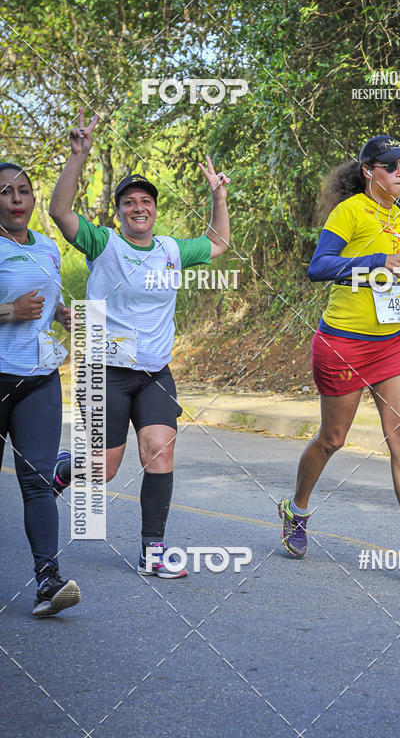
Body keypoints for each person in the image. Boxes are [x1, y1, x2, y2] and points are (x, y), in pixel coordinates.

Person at [49, 111, 231, 578]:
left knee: (160, 451)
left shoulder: (171, 250)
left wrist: (219, 196)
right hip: (104, 372)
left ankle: (154, 551)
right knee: (104, 471)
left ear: (154, 209)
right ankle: (66, 468)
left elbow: (218, 243)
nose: (138, 207)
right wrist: (77, 156)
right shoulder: (102, 243)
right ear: (119, 212)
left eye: (145, 201)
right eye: (129, 202)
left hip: (154, 372)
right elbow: (60, 213)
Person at [278, 134, 400, 567]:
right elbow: (319, 267)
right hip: (344, 343)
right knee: (332, 439)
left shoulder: (398, 219)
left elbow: (397, 281)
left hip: (394, 341)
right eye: (392, 166)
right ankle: (295, 509)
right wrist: (377, 261)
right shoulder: (350, 211)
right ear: (368, 172)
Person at [0, 162, 80, 616]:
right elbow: (15, 308)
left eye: (24, 192)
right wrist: (10, 310)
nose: (17, 199)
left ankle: (48, 583)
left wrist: (58, 314)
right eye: (7, 192)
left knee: (36, 483)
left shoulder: (48, 248)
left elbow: (45, 303)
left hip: (39, 381)